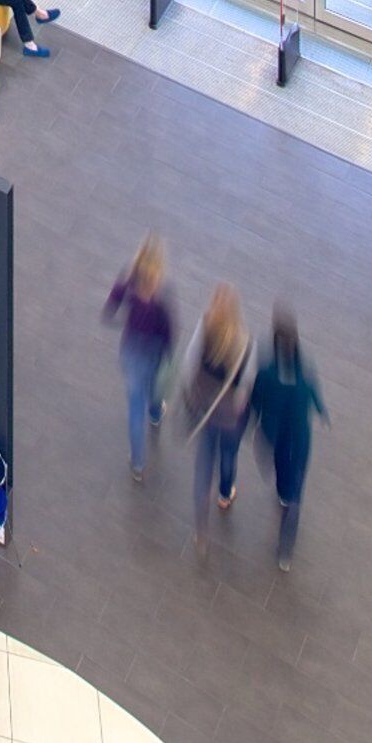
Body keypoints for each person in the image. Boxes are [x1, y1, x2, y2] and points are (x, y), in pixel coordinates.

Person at [249, 306, 328, 571]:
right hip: (299, 436)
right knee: (294, 483)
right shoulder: (304, 367)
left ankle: (286, 503)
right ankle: (286, 545)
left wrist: (254, 418)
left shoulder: (268, 368)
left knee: (285, 475)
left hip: (277, 434)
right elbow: (313, 390)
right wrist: (320, 409)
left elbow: (256, 398)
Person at [105, 236, 177, 479]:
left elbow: (111, 305)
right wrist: (169, 352)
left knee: (136, 406)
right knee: (156, 384)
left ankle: (138, 463)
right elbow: (168, 330)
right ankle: (156, 413)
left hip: (131, 348)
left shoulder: (129, 278)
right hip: (154, 349)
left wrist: (118, 319)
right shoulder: (162, 294)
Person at [183, 283, 253, 527]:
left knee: (205, 458)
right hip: (231, 416)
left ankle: (201, 517)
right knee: (228, 455)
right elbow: (247, 383)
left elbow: (189, 362)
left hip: (206, 408)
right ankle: (225, 494)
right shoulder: (244, 341)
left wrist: (190, 394)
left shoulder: (205, 326)